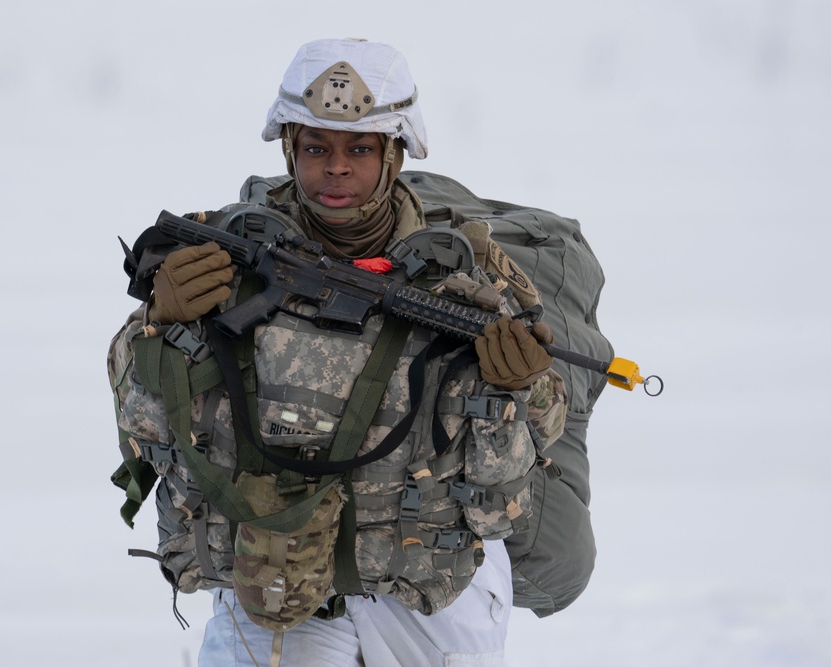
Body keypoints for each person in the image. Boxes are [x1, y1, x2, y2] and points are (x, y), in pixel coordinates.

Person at [108, 38, 570, 666]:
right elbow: (138, 418)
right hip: (272, 568)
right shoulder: (229, 250)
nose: (336, 168)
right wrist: (156, 326)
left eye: (359, 148)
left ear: (395, 152)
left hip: (424, 588)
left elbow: (542, 434)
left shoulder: (470, 271)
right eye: (315, 148)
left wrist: (526, 385)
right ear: (288, 149)